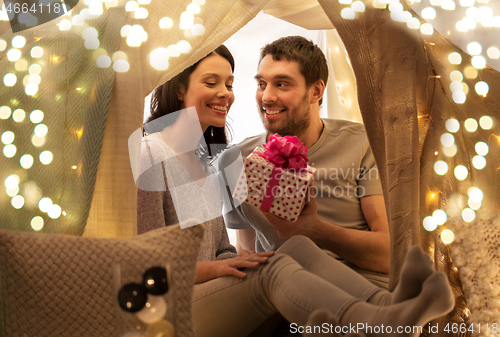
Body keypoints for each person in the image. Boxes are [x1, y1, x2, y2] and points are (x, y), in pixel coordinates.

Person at [136, 45, 454, 337]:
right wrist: (219, 268)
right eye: (211, 82)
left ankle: (388, 307)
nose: (225, 93)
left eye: (229, 84)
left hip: (209, 290)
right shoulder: (150, 154)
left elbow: (222, 249)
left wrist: (238, 260)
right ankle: (376, 323)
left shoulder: (206, 159)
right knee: (276, 269)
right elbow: (144, 266)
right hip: (168, 305)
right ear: (178, 88)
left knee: (296, 249)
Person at [221, 36, 390, 287]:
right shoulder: (235, 159)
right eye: (261, 84)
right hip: (280, 288)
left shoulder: (363, 144)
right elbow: (246, 248)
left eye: (282, 84)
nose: (266, 97)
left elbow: (388, 256)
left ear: (316, 91)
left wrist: (315, 230)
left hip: (360, 286)